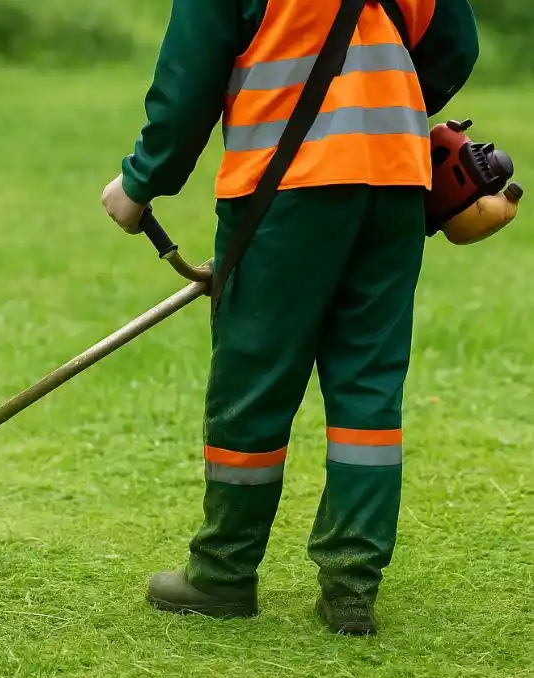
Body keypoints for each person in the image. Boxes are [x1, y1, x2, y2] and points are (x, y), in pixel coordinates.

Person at [101, 0, 480, 635]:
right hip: (396, 177)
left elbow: (190, 72)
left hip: (288, 184)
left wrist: (141, 181)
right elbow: (454, 46)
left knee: (255, 377)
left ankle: (223, 571)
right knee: (368, 383)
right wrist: (385, 110)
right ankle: (352, 586)